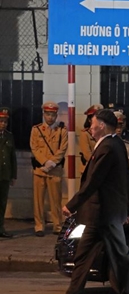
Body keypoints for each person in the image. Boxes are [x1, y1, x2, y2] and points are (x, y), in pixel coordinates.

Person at [46, 109, 129, 294]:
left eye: (92, 123)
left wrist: (72, 204)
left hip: (105, 213)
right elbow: (123, 179)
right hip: (100, 213)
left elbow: (94, 181)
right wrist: (126, 207)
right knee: (83, 255)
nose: (89, 127)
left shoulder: (109, 146)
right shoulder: (114, 143)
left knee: (120, 257)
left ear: (101, 125)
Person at [30, 101, 68, 236]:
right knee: (38, 201)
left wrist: (52, 163)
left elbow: (63, 148)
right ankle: (39, 226)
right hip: (40, 170)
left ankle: (57, 225)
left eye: (53, 114)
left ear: (56, 115)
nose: (50, 117)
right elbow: (34, 147)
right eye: (48, 114)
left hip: (55, 170)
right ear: (43, 114)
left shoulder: (62, 131)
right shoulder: (36, 129)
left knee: (55, 200)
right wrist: (45, 162)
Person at [114, 111, 129, 204]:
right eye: (117, 126)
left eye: (121, 124)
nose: (119, 129)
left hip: (128, 174)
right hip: (114, 176)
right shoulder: (107, 140)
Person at [0, 107, 17, 238]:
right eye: (1, 121)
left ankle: (1, 228)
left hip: (5, 174)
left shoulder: (9, 136)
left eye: (5, 121)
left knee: (2, 203)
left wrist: (13, 175)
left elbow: (12, 157)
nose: (3, 124)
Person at [78, 104, 101, 174]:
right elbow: (87, 154)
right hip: (89, 169)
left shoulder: (105, 132)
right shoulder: (85, 134)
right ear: (89, 119)